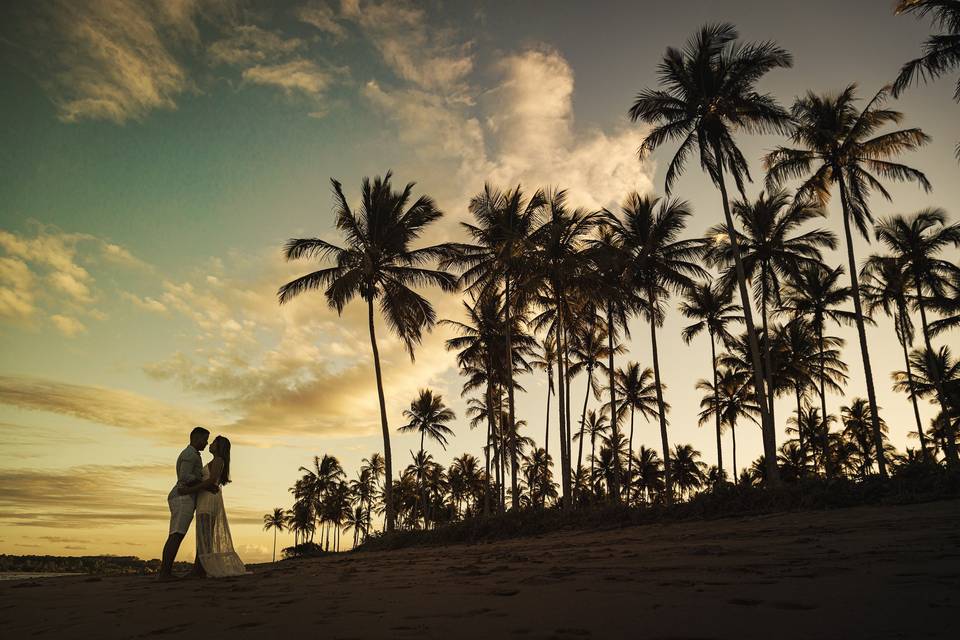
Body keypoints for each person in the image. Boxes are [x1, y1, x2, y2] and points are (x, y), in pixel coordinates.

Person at [158, 426, 218, 581]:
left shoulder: (192, 454)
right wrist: (205, 482)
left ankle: (165, 572)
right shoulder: (189, 454)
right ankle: (164, 573)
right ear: (197, 438)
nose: (206, 443)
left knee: (177, 533)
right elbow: (185, 477)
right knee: (176, 533)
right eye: (205, 440)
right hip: (182, 498)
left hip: (186, 497)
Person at [191, 435, 246, 577]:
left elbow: (212, 480)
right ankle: (199, 568)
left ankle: (200, 569)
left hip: (208, 500)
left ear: (219, 446)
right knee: (204, 536)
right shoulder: (216, 461)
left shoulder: (218, 460)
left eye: (214, 442)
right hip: (207, 499)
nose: (210, 444)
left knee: (204, 535)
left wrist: (190, 489)